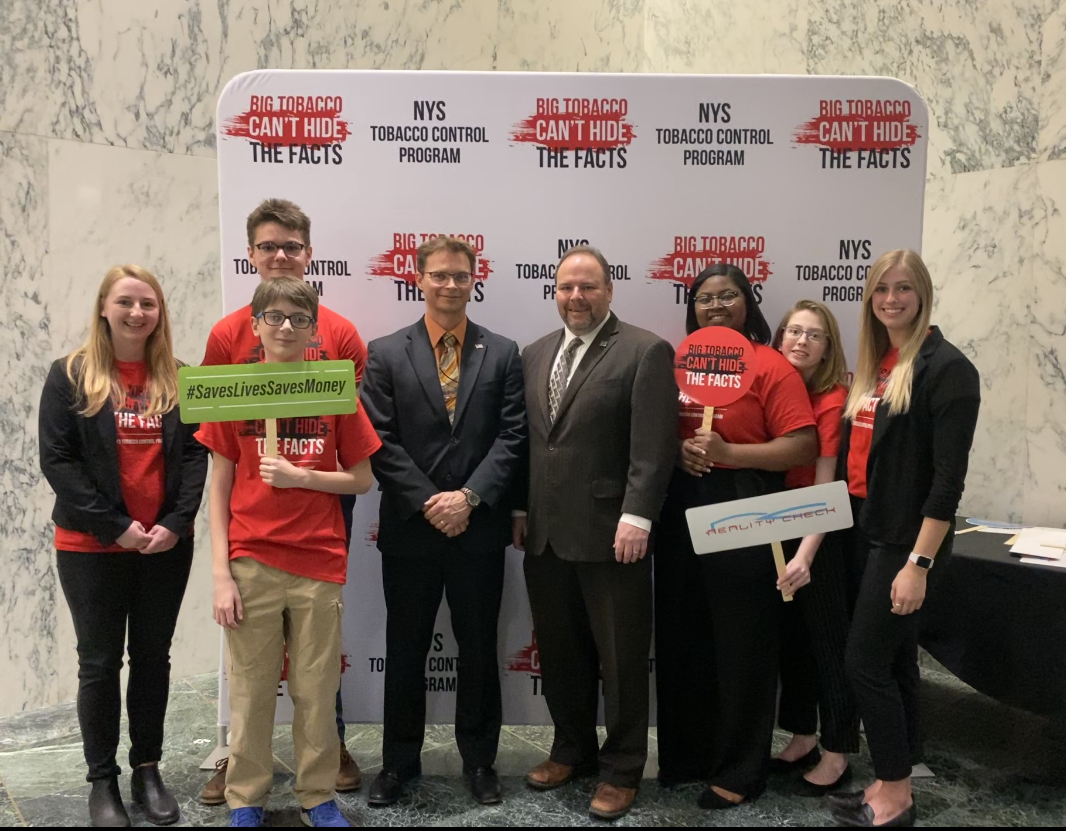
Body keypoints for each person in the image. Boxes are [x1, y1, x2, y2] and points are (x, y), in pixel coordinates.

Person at [200, 198, 367, 804]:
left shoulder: (342, 333)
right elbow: (220, 460)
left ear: (308, 253)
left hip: (318, 522)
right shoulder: (225, 334)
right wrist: (221, 569)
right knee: (250, 676)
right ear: (251, 256)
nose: (279, 256)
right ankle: (242, 773)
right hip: (250, 531)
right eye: (268, 246)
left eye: (291, 246)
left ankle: (325, 763)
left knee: (316, 681)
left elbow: (353, 445)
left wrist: (305, 479)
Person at [358, 236, 527, 807]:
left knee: (479, 648)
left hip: (478, 529)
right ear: (419, 278)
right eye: (439, 275)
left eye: (460, 275)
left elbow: (512, 437)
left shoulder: (503, 353)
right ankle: (398, 764)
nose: (450, 285)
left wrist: (470, 498)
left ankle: (480, 761)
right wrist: (433, 501)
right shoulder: (385, 352)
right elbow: (377, 440)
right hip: (411, 528)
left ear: (474, 278)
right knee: (406, 647)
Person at [39, 265, 208, 827]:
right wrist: (114, 525)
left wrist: (176, 524)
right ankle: (102, 781)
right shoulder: (69, 376)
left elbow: (193, 457)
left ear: (161, 313)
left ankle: (147, 769)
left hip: (163, 546)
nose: (139, 313)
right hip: (90, 546)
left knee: (153, 660)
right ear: (104, 308)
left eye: (150, 304)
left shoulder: (180, 378)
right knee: (99, 662)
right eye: (127, 302)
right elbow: (57, 461)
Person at [513, 245, 677, 821]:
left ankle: (623, 768)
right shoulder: (534, 354)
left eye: (587, 287)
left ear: (609, 291)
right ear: (554, 292)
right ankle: (571, 751)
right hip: (545, 536)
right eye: (565, 288)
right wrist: (518, 508)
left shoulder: (644, 351)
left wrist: (638, 516)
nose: (575, 298)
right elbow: (531, 445)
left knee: (622, 658)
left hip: (614, 536)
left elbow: (653, 447)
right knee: (560, 655)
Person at [654, 264, 817, 809]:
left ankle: (742, 768)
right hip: (682, 508)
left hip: (745, 510)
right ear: (692, 306)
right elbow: (661, 435)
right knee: (685, 634)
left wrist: (729, 454)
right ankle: (688, 757)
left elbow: (801, 446)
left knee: (742, 644)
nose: (716, 305)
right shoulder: (683, 364)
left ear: (748, 302)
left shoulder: (770, 366)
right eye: (704, 297)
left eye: (728, 296)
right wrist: (680, 451)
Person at [829, 250, 980, 828]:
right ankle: (899, 772)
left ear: (924, 296)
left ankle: (894, 797)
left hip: (906, 542)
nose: (891, 299)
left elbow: (948, 481)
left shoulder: (948, 368)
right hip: (870, 530)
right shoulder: (881, 363)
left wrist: (918, 562)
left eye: (904, 289)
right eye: (881, 289)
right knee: (895, 664)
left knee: (864, 662)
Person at [768, 300, 860, 795]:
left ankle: (838, 749)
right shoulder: (778, 390)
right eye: (794, 332)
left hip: (820, 533)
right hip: (780, 528)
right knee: (794, 644)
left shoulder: (831, 399)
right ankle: (802, 735)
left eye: (815, 335)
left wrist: (805, 556)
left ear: (828, 348)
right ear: (780, 338)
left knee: (828, 643)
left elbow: (827, 489)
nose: (802, 341)